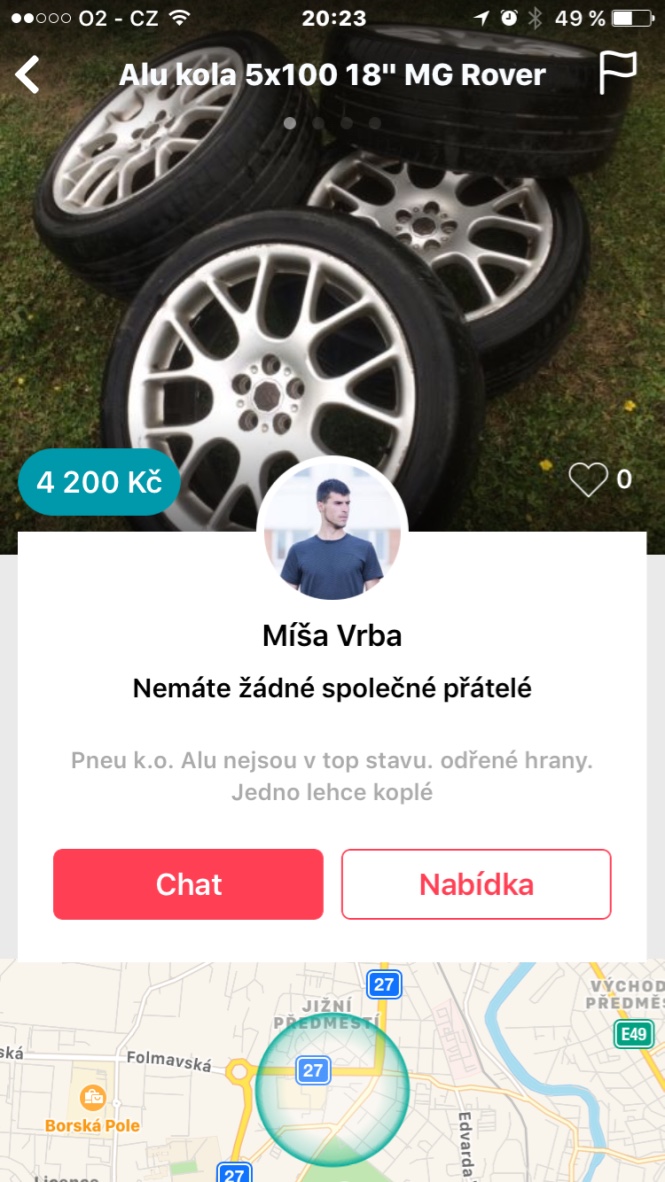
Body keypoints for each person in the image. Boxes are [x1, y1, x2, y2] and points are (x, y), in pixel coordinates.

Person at [280, 479, 384, 600]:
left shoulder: (365, 549)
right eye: (338, 503)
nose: (345, 509)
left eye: (347, 503)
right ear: (321, 506)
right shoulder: (298, 551)